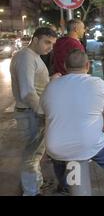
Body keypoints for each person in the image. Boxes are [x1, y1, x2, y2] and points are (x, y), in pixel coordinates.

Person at [41, 49, 104, 193]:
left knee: (58, 158)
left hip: (55, 145)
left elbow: (47, 114)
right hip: (87, 142)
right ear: (88, 65)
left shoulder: (51, 85)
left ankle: (65, 186)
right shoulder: (98, 83)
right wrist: (98, 131)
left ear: (65, 66)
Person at [10, 27, 59, 196]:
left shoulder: (33, 57)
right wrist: (43, 113)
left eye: (52, 44)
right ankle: (31, 191)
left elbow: (36, 85)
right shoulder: (26, 57)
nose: (50, 47)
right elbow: (27, 91)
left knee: (35, 154)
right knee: (31, 156)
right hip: (30, 114)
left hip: (32, 113)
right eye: (47, 42)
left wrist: (51, 80)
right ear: (35, 39)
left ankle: (35, 185)